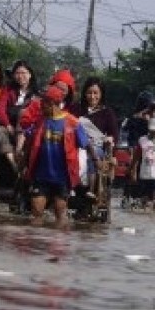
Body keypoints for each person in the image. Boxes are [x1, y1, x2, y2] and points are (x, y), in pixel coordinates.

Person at [24, 85, 102, 227]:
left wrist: (96, 161)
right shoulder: (40, 121)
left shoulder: (72, 122)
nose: (40, 106)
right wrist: (23, 164)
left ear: (53, 103)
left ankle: (59, 245)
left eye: (44, 103)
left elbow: (87, 144)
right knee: (36, 212)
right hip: (41, 175)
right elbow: (30, 143)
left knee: (60, 214)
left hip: (62, 176)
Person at [77, 76, 119, 194]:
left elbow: (114, 134)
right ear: (85, 93)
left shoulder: (107, 112)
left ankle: (91, 189)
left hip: (98, 148)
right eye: (89, 93)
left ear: (101, 94)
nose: (92, 96)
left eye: (96, 93)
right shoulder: (77, 110)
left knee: (91, 155)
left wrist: (111, 147)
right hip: (78, 146)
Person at [0, 60, 38, 171]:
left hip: (26, 131)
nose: (20, 76)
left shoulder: (36, 94)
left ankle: (19, 150)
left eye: (23, 73)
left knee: (23, 112)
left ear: (30, 74)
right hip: (9, 127)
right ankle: (14, 165)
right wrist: (8, 126)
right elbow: (0, 109)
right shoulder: (8, 90)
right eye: (17, 73)